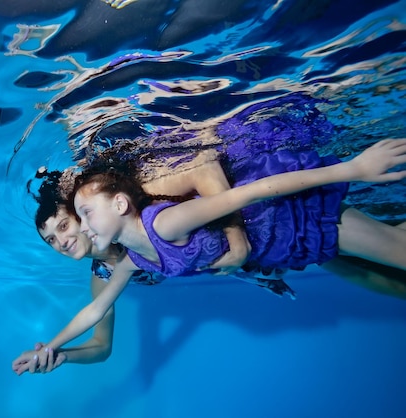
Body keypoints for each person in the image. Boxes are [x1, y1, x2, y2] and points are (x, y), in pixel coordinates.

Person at [21, 139, 406, 374]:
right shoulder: (120, 265)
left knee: (393, 249)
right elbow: (97, 324)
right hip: (274, 251)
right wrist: (56, 351)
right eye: (51, 241)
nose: (63, 241)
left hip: (278, 217)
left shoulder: (145, 212)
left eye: (67, 225)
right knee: (388, 276)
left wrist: (237, 242)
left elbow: (228, 184)